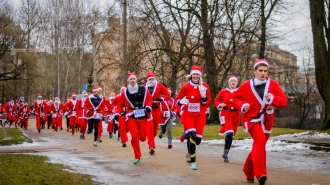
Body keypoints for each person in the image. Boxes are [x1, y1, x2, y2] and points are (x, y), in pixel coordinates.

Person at [232, 58, 288, 185]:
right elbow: (234, 98)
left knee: (260, 145)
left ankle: (248, 169)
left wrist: (273, 98)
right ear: (255, 71)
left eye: (265, 71)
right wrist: (242, 105)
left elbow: (284, 101)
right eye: (260, 70)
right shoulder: (246, 85)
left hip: (267, 119)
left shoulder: (273, 84)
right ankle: (260, 174)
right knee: (260, 141)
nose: (263, 73)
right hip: (251, 118)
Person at [174, 65, 211, 170]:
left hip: (200, 115)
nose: (195, 76)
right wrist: (181, 101)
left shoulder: (205, 87)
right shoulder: (186, 86)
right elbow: (177, 100)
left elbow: (208, 102)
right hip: (188, 115)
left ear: (200, 76)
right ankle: (193, 160)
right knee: (193, 135)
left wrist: (204, 97)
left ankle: (186, 134)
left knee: (197, 140)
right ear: (191, 75)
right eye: (194, 74)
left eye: (197, 74)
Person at [114, 72, 153, 164]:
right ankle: (137, 156)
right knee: (134, 137)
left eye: (134, 79)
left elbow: (149, 99)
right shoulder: (125, 93)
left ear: (136, 80)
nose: (132, 80)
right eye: (131, 79)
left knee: (143, 138)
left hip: (143, 115)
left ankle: (141, 140)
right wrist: (117, 113)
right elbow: (119, 104)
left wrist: (148, 106)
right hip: (131, 116)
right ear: (128, 81)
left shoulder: (143, 89)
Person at [214, 75, 240, 163]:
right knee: (229, 133)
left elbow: (245, 101)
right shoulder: (223, 92)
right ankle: (225, 152)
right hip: (225, 114)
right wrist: (220, 105)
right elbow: (216, 101)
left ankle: (226, 152)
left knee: (231, 135)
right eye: (231, 81)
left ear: (237, 83)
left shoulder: (240, 92)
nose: (233, 83)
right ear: (229, 83)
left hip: (236, 115)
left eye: (235, 81)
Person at [144, 71, 170, 155]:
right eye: (150, 79)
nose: (151, 80)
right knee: (149, 127)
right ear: (147, 80)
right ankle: (151, 146)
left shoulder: (159, 85)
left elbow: (166, 94)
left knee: (155, 128)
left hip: (157, 108)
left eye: (152, 79)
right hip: (148, 109)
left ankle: (152, 139)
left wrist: (162, 99)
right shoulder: (144, 87)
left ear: (155, 79)